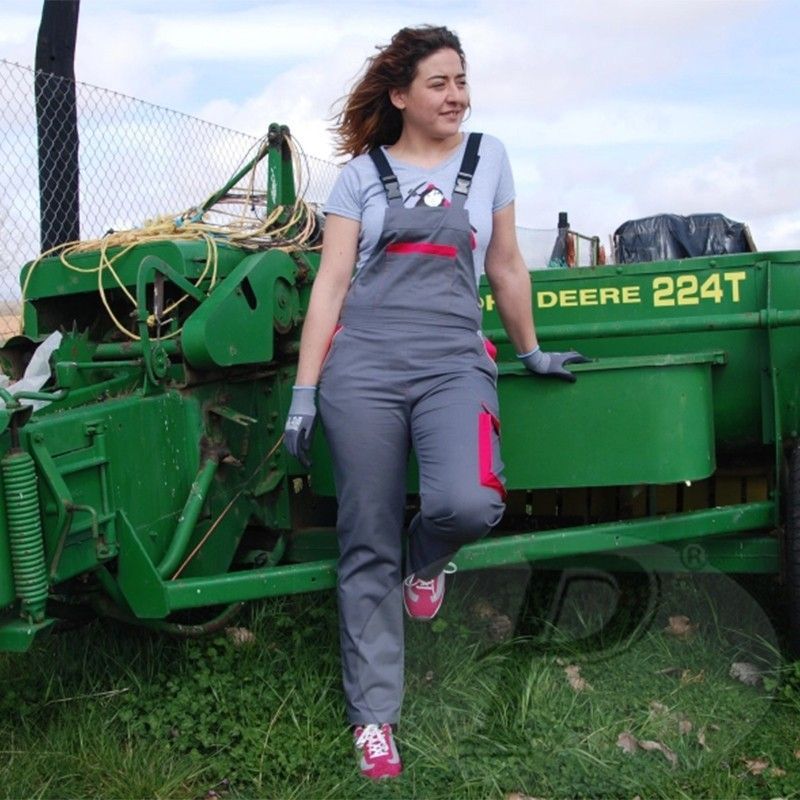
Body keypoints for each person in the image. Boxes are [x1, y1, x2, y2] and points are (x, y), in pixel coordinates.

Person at [283, 24, 586, 780]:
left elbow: (507, 264)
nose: (456, 96)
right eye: (438, 84)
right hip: (367, 366)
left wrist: (528, 350)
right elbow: (332, 284)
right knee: (364, 537)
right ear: (400, 96)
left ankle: (425, 564)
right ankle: (374, 719)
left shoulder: (489, 160)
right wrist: (305, 391)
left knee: (468, 501)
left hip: (454, 359)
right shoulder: (359, 177)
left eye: (461, 81)